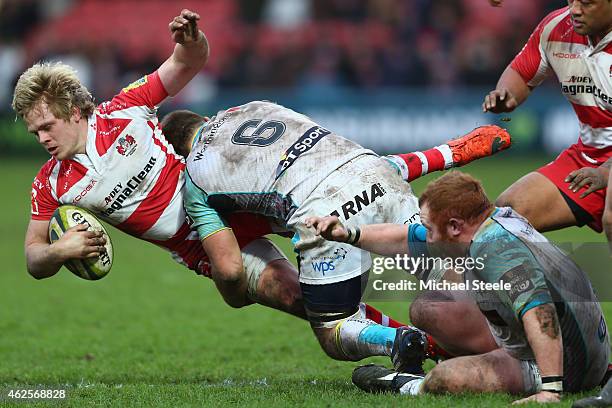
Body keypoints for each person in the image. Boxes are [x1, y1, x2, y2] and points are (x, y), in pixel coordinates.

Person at [161, 102, 510, 365]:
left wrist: (235, 294)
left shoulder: (194, 178)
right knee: (449, 277)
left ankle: (400, 340)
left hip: (326, 212)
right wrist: (444, 155)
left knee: (333, 327)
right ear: (205, 120)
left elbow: (229, 268)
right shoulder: (256, 107)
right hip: (374, 171)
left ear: (178, 154)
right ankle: (524, 338)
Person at [13, 9, 307, 318]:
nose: (42, 139)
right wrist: (57, 251)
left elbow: (185, 62)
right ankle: (365, 338)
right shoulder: (50, 183)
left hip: (229, 197)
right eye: (35, 133)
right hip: (196, 245)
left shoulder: (125, 109)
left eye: (47, 127)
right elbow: (34, 258)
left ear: (73, 111)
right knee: (297, 297)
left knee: (333, 228)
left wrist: (192, 41)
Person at [307, 171, 610, 404]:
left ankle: (406, 384)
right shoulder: (493, 222)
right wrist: (348, 233)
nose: (423, 234)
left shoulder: (495, 249)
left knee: (445, 379)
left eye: (428, 227)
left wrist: (551, 389)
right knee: (428, 309)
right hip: (579, 344)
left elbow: (541, 313)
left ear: (454, 226)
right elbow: (402, 237)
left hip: (569, 366)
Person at [483, 0, 612, 233]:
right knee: (509, 215)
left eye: (587, 3)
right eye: (571, 0)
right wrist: (507, 95)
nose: (574, 9)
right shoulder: (556, 27)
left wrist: (606, 173)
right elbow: (521, 73)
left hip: (606, 166)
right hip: (589, 156)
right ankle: (559, 271)